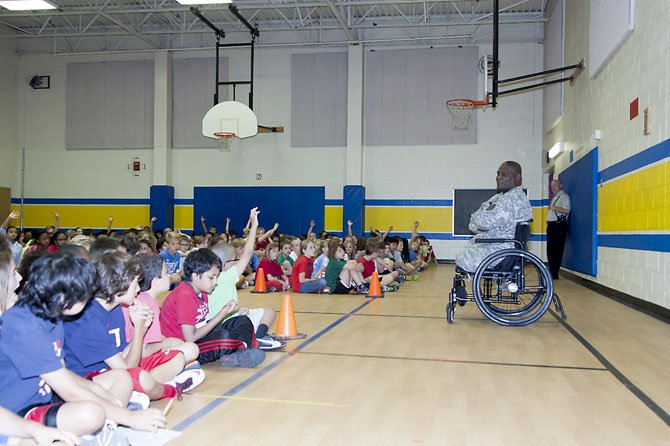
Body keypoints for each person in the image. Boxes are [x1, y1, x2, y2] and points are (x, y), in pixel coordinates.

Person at [0, 252, 165, 438]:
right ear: (70, 295)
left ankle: (106, 423)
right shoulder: (25, 327)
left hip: (46, 397)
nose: (90, 298)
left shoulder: (52, 317)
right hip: (20, 411)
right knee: (91, 414)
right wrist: (129, 417)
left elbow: (63, 372)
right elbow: (67, 389)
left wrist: (97, 391)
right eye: (86, 294)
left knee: (118, 381)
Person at [63, 252, 200, 402]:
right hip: (90, 381)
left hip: (116, 371)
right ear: (119, 285)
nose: (138, 290)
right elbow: (127, 370)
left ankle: (140, 394)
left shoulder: (115, 309)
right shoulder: (89, 319)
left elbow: (124, 354)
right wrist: (140, 330)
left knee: (177, 357)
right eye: (135, 284)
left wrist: (140, 328)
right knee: (139, 378)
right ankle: (170, 389)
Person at [159, 248, 266, 367]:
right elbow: (190, 338)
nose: (215, 282)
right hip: (186, 346)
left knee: (242, 320)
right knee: (224, 337)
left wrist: (225, 312)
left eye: (217, 277)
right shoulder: (184, 296)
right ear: (195, 276)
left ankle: (239, 352)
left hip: (200, 335)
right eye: (211, 277)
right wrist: (221, 315)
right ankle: (242, 349)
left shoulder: (202, 290)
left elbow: (203, 323)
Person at [208, 208, 285, 351]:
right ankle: (260, 337)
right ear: (225, 264)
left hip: (212, 325)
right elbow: (248, 252)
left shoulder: (205, 278)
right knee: (269, 312)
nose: (236, 262)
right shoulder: (228, 275)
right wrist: (254, 224)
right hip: (231, 322)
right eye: (234, 260)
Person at [455, 161, 533, 272]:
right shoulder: (508, 197)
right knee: (467, 251)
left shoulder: (508, 200)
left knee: (462, 258)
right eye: (498, 174)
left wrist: (474, 222)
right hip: (505, 248)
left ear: (517, 178)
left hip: (500, 250)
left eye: (504, 175)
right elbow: (481, 218)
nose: (498, 178)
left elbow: (482, 223)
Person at [547, 179, 571, 280]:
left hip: (559, 225)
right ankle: (551, 271)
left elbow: (566, 210)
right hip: (552, 226)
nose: (553, 188)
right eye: (552, 186)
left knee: (557, 250)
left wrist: (555, 208)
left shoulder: (564, 197)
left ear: (560, 186)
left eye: (555, 186)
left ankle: (554, 272)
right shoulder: (555, 197)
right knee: (551, 250)